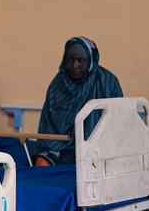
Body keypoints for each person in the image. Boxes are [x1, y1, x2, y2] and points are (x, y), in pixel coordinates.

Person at [33, 36, 124, 165]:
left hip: (97, 145)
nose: (75, 65)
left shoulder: (107, 81)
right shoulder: (57, 84)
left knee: (100, 165)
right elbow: (47, 126)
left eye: (81, 60)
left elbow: (120, 119)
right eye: (71, 59)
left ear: (91, 61)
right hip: (60, 145)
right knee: (41, 163)